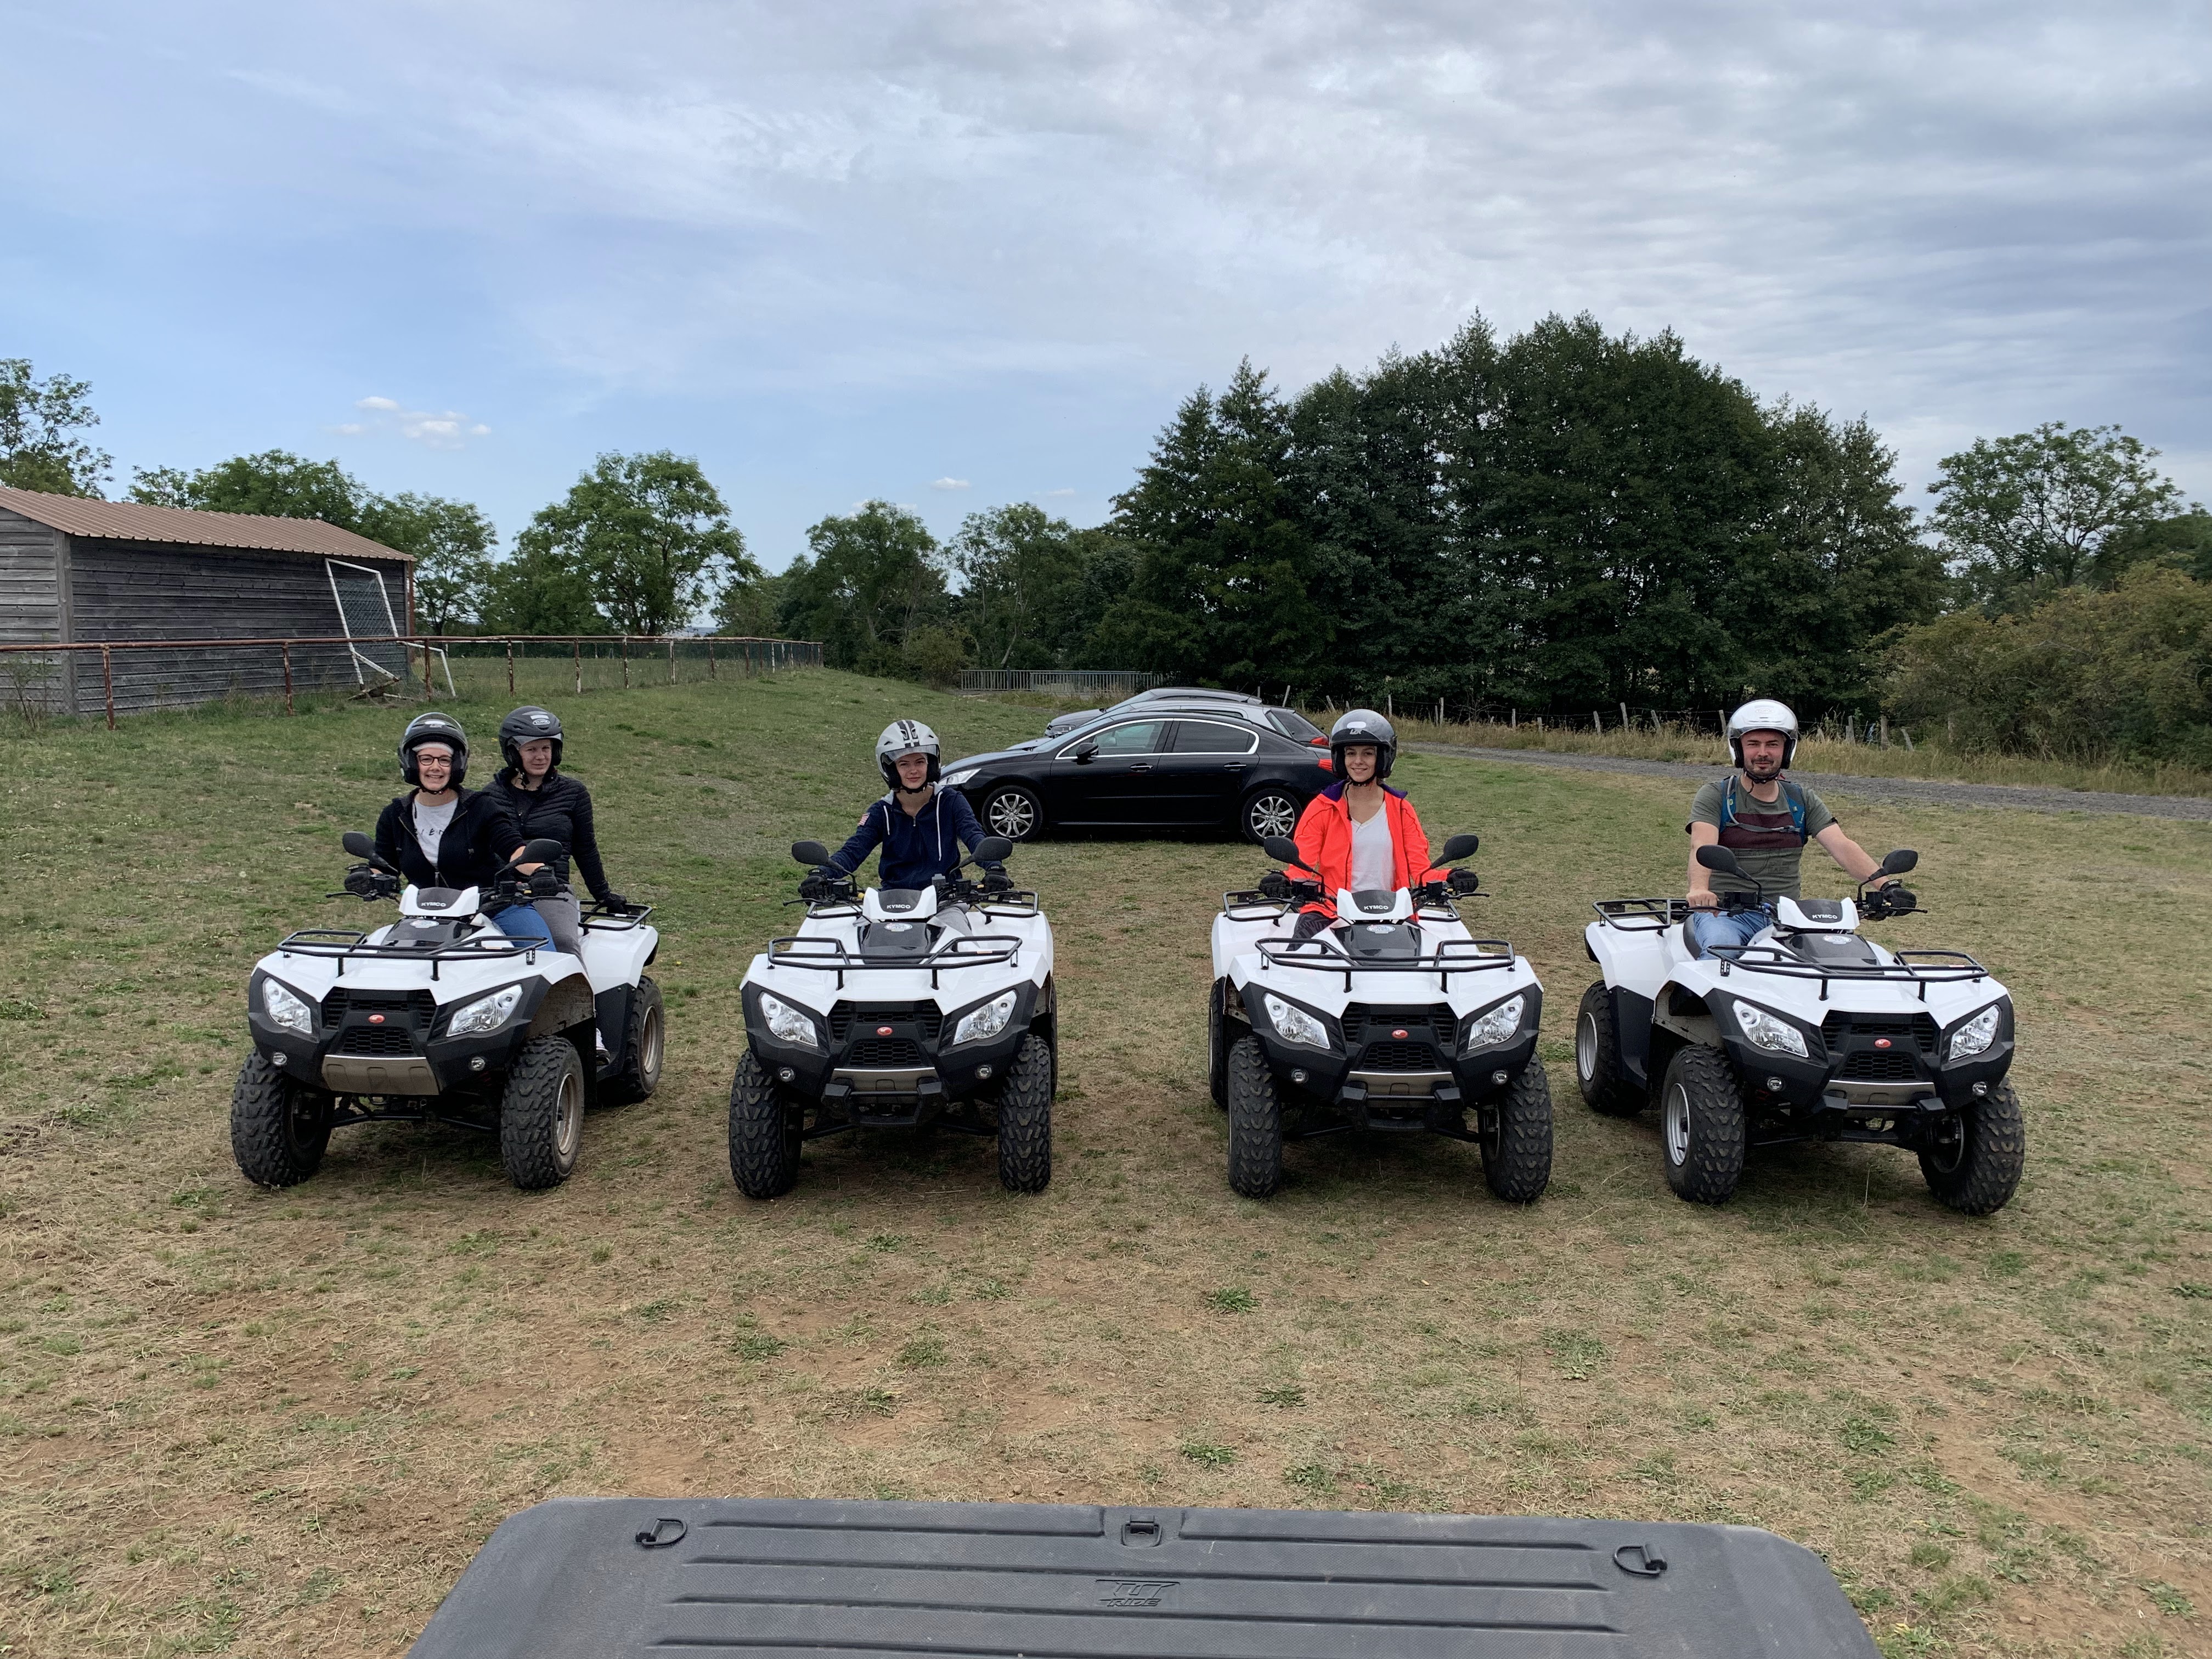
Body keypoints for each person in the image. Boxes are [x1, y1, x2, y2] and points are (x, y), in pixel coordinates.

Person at [1686, 698, 1901, 955]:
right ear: (1738, 749)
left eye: (1773, 744)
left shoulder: (1801, 799)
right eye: (1753, 744)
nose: (1763, 753)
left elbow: (1842, 846)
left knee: (1839, 962)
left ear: (1787, 750)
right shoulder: (1717, 795)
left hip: (1789, 917)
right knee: (1722, 956)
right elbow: (1702, 845)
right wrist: (1699, 889)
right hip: (1724, 914)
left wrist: (1886, 886)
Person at [369, 713, 555, 949]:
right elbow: (384, 865)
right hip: (425, 917)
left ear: (456, 765)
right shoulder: (395, 815)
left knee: (543, 953)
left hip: (494, 907)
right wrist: (367, 877)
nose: (435, 767)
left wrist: (540, 871)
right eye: (426, 759)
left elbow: (514, 849)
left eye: (444, 760)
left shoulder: (481, 807)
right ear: (411, 763)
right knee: (383, 960)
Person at [484, 704, 629, 957]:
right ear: (513, 752)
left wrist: (603, 895)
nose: (541, 756)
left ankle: (574, 983)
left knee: (562, 946)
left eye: (546, 748)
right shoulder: (489, 796)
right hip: (499, 893)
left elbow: (585, 848)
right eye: (531, 749)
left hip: (552, 891)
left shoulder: (573, 793)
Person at [1278, 708, 1433, 940]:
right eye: (1351, 753)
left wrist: (1449, 878)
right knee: (1300, 955)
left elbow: (1422, 869)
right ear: (1340, 759)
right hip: (1331, 908)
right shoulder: (1323, 807)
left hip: (1392, 912)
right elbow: (1302, 863)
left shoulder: (1401, 810)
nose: (1358, 761)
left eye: (1368, 754)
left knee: (1424, 958)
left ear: (1383, 758)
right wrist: (1285, 880)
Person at [810, 720, 997, 898]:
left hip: (946, 899)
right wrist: (822, 873)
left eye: (920, 762)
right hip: (892, 900)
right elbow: (853, 851)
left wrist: (994, 867)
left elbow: (974, 837)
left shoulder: (951, 801)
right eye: (904, 764)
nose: (913, 770)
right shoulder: (881, 812)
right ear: (891, 770)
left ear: (932, 765)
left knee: (956, 924)